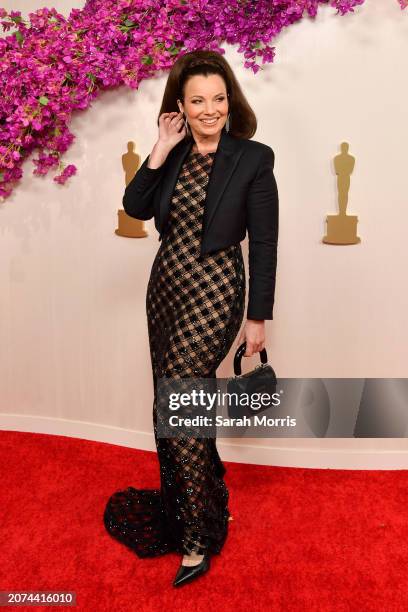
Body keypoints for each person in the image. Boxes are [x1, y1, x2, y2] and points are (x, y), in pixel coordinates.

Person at [104, 50, 279, 588]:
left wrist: (258, 319)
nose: (210, 110)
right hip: (166, 289)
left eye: (218, 99)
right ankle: (206, 494)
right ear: (179, 106)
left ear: (231, 102)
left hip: (216, 289)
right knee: (175, 400)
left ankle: (197, 535)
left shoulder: (253, 157)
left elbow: (265, 242)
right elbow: (135, 207)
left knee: (180, 399)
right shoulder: (173, 153)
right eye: (197, 100)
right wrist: (159, 147)